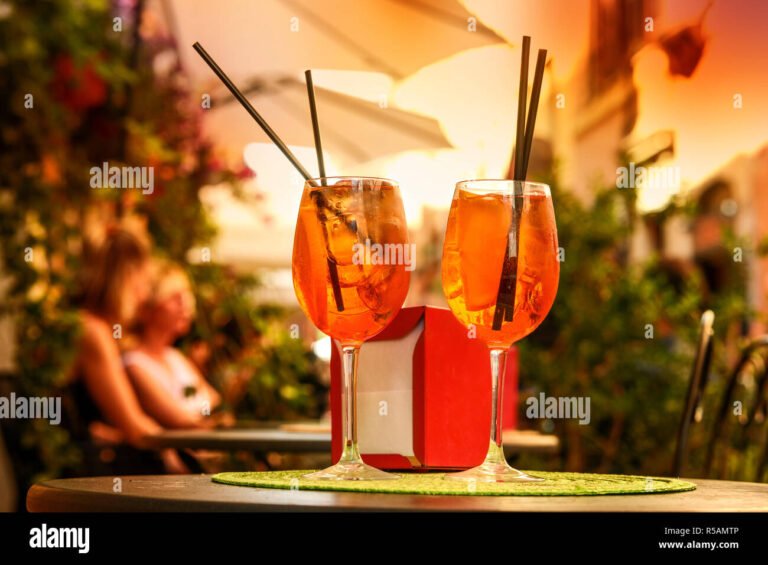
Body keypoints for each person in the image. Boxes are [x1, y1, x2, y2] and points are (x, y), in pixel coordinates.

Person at [68, 227, 187, 473]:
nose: (145, 294)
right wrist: (178, 457)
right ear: (126, 277)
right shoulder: (94, 332)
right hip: (79, 477)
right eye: (143, 280)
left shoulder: (87, 325)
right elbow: (135, 428)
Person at [123, 259, 225, 428]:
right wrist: (213, 420)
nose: (186, 305)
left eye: (187, 296)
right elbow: (182, 421)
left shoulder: (175, 357)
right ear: (149, 307)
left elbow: (217, 404)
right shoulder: (134, 364)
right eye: (174, 298)